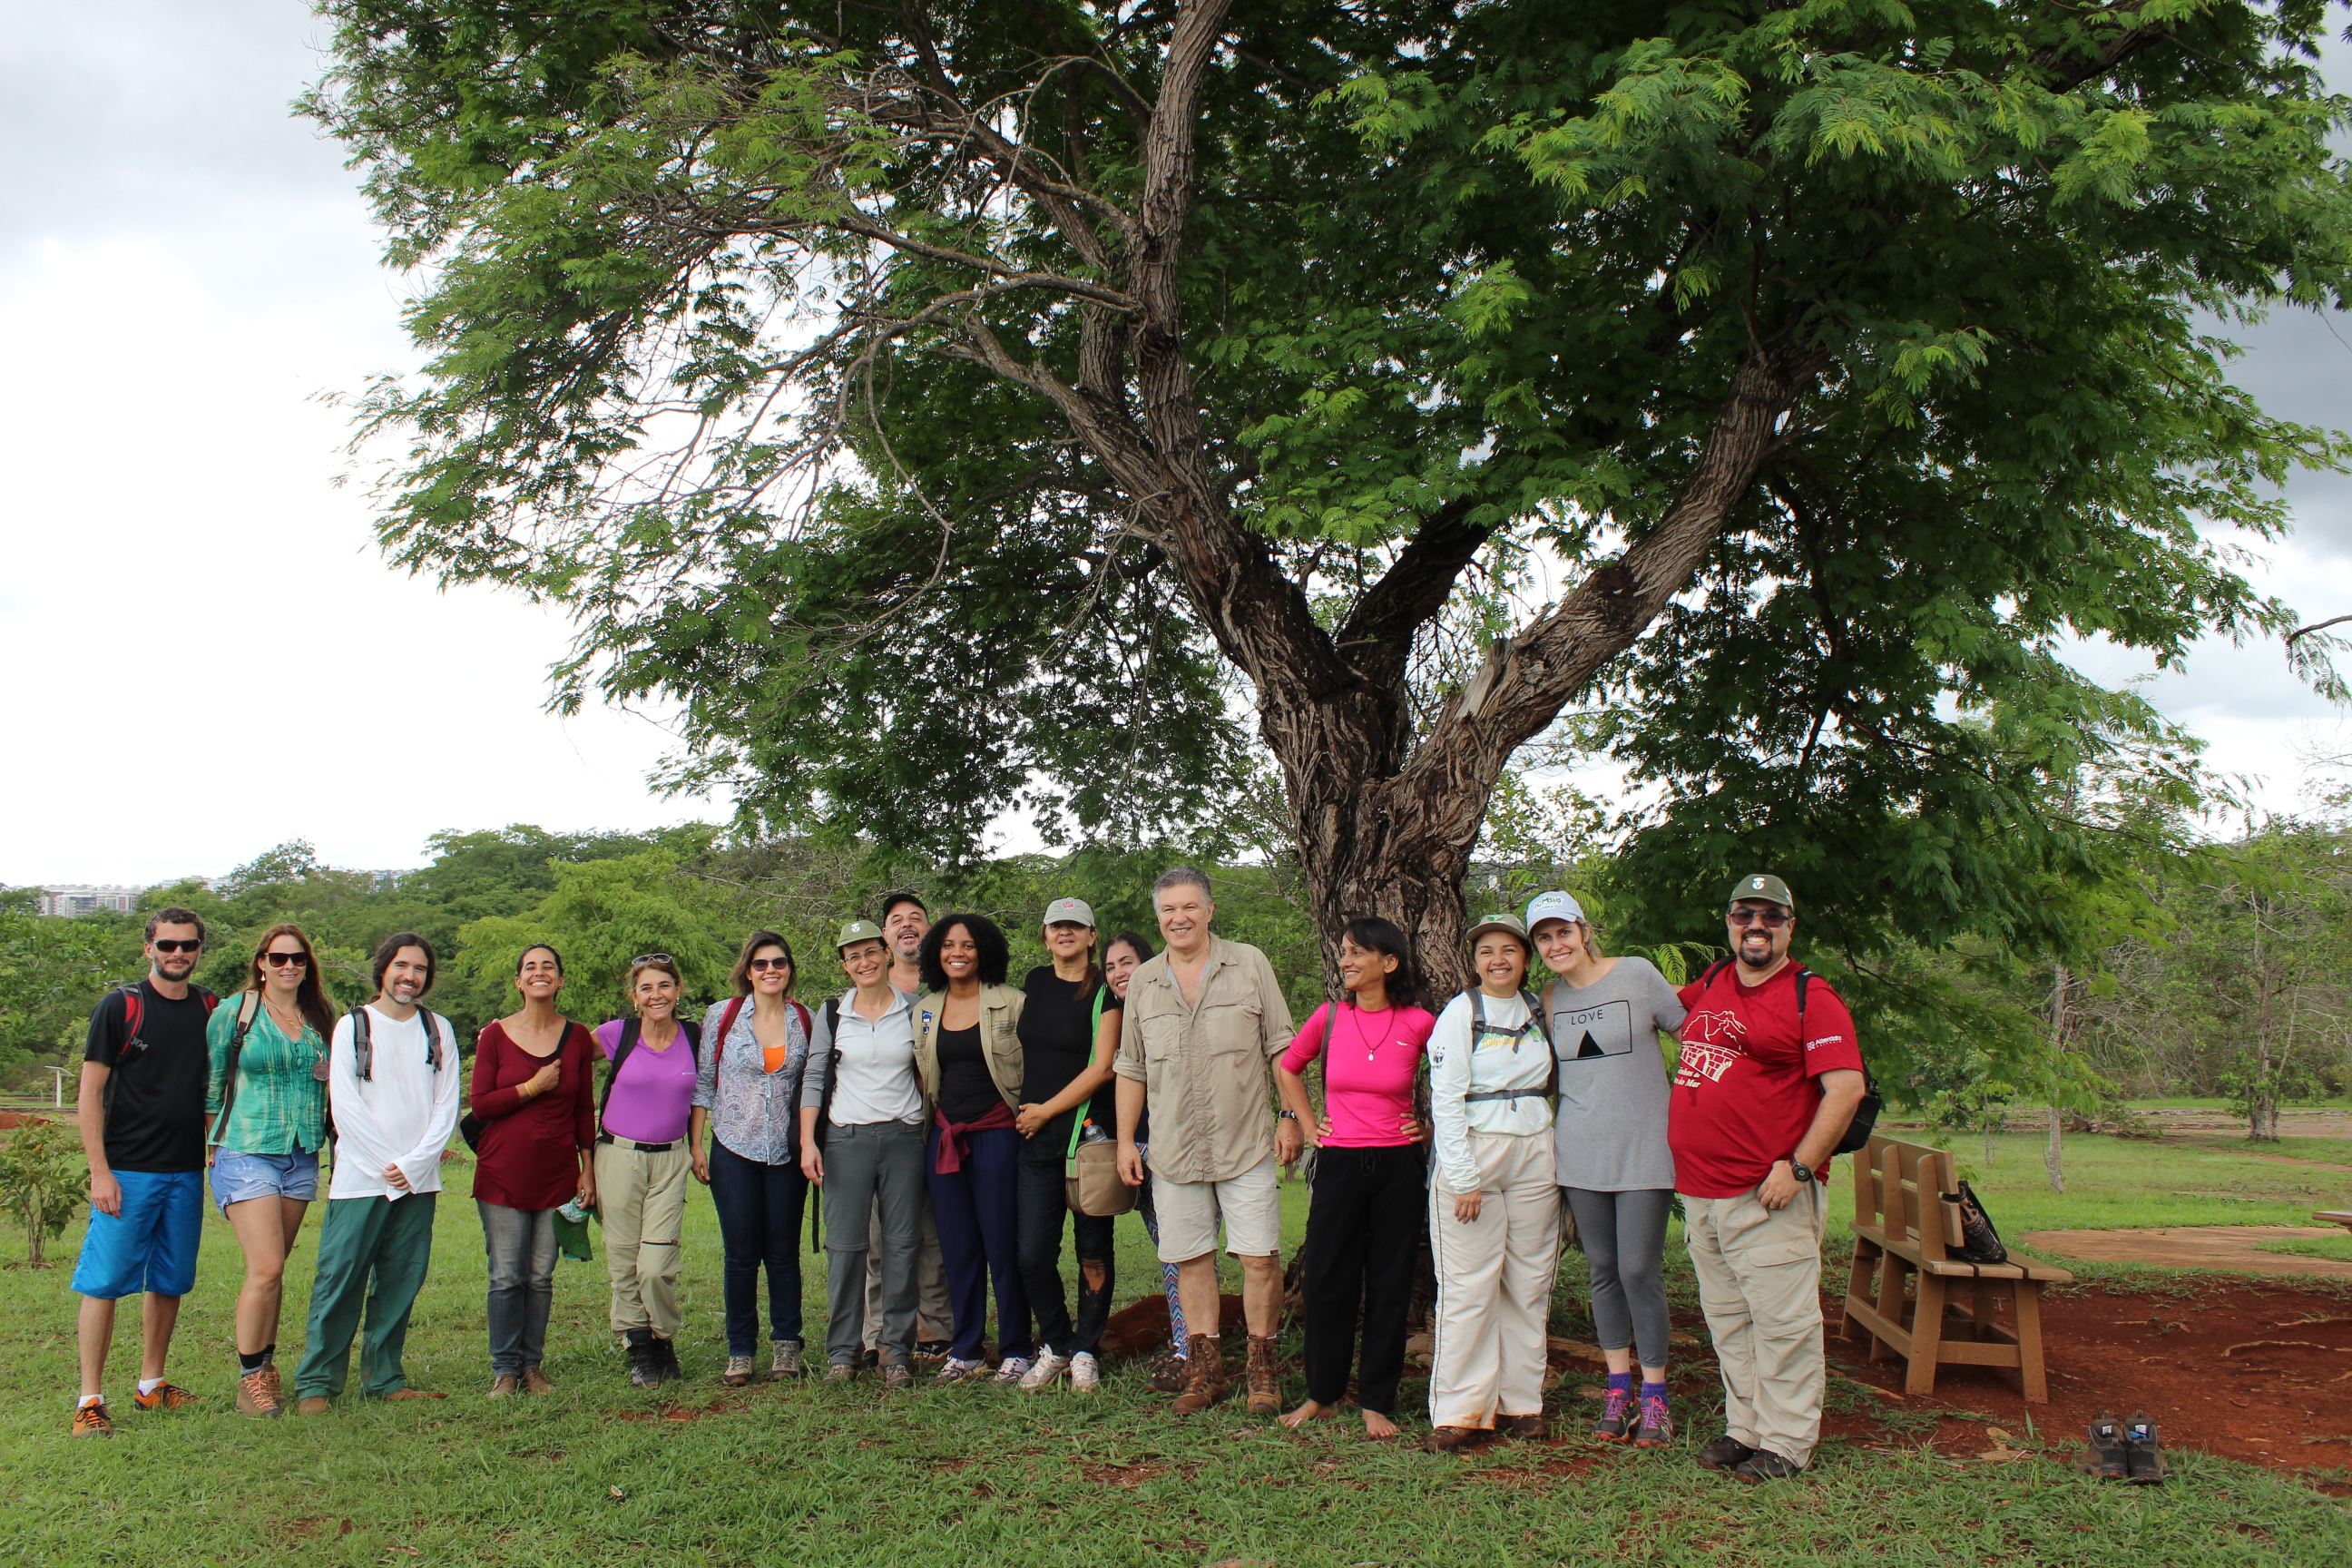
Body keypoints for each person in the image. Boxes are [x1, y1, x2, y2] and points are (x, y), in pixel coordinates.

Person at [1673, 874, 1867, 1484]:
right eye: (1743, 915)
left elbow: (1847, 1089)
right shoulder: (1711, 981)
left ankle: (1787, 1440)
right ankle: (1746, 1428)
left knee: (1784, 1324)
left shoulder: (1813, 996)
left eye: (1770, 917)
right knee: (1729, 1318)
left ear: (1789, 926)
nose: (1755, 927)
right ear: (1728, 921)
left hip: (1767, 1191)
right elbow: (1643, 1002)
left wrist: (1801, 1166)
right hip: (1701, 1189)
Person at [1113, 867, 1298, 1416]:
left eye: (1189, 907)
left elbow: (1282, 1048)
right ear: (1158, 917)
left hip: (1245, 1144)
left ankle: (1262, 1368)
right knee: (1191, 1259)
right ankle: (1206, 1370)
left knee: (1260, 1258)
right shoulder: (1143, 980)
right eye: (1169, 910)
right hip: (1173, 1150)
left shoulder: (1250, 965)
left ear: (1210, 910)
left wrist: (1290, 1114)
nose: (1179, 918)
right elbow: (1131, 1068)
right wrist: (1127, 1141)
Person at [1525, 889, 1688, 1446]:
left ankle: (1656, 1395)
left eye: (1563, 932)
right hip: (1579, 1152)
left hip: (1645, 1150)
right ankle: (1618, 1387)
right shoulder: (1549, 998)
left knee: (1639, 1269)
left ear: (1584, 930)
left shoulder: (1638, 976)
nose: (1555, 944)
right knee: (1601, 1269)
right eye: (1543, 938)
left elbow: (1691, 1037)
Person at [1275, 916, 1436, 1439]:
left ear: (1388, 963)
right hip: (1340, 1162)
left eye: (1356, 952)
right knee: (1326, 1281)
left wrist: (1430, 1123)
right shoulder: (1329, 1017)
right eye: (1343, 951)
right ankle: (1322, 1394)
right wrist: (1306, 1124)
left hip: (1398, 1166)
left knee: (1389, 1283)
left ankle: (1376, 1401)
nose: (1345, 960)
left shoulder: (1419, 1023)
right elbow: (1287, 1067)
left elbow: (1461, 1074)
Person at [291, 934, 463, 1413]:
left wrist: (414, 1165)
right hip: (360, 1179)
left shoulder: (439, 1029)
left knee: (400, 1279)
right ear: (383, 968)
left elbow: (446, 1102)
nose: (410, 976)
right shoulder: (353, 1024)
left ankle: (384, 1377)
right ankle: (316, 1384)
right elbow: (343, 1103)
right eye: (402, 966)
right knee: (340, 1278)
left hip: (419, 1180)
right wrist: (388, 1166)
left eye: (421, 969)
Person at [69, 907, 216, 1436]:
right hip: (127, 1171)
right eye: (168, 945)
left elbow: (210, 1086)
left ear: (200, 950)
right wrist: (99, 1170)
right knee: (105, 1283)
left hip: (185, 1169)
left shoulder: (209, 1007)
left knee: (170, 1280)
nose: (178, 954)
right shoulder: (121, 1007)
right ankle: (90, 1399)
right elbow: (89, 1095)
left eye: (188, 946)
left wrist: (214, 1148)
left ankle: (152, 1385)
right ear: (148, 946)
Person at [1424, 912, 1562, 1453]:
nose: (1498, 960)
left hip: (1534, 1152)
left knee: (1528, 1283)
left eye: (1509, 950)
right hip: (1476, 1156)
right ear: (1473, 960)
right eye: (1486, 951)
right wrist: (1463, 1177)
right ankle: (1460, 1410)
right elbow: (1446, 1099)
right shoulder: (1461, 1013)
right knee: (1469, 1286)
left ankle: (1522, 1401)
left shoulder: (1538, 1009)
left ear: (1526, 958)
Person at [206, 922, 335, 1417]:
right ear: (261, 962)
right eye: (278, 958)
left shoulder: (319, 1017)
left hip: (302, 1152)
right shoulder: (235, 1013)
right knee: (266, 1267)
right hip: (245, 1148)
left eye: (297, 958)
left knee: (275, 1272)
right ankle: (249, 1379)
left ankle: (266, 1363)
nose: (288, 966)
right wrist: (209, 1142)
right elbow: (213, 1081)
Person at [801, 919, 927, 1387]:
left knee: (900, 1246)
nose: (865, 962)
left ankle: (895, 1351)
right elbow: (815, 1075)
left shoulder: (913, 1008)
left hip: (903, 1138)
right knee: (847, 1249)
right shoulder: (833, 1012)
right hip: (845, 1139)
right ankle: (842, 1351)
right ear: (844, 965)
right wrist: (808, 1140)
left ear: (887, 954)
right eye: (853, 956)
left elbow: (927, 1071)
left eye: (871, 952)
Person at [469, 943, 598, 1396]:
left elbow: (584, 1107)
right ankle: (504, 1370)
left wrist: (588, 1168)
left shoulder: (577, 1036)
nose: (539, 972)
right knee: (507, 1274)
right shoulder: (495, 1036)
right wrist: (531, 1087)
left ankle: (532, 1367)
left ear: (560, 980)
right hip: (502, 1171)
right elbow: (481, 1105)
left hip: (558, 1173)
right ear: (519, 982)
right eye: (530, 967)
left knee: (541, 1275)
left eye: (548, 967)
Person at [912, 913, 1034, 1384]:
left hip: (998, 1136)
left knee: (1003, 1244)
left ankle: (1016, 1348)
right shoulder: (924, 1009)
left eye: (966, 945)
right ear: (934, 954)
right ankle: (965, 1348)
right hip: (944, 1138)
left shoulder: (1012, 1002)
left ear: (984, 950)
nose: (956, 953)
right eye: (946, 946)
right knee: (958, 1247)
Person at [694, 931, 815, 1387]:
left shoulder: (805, 1018)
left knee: (783, 1253)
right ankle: (740, 1349)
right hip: (732, 1146)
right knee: (741, 1254)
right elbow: (705, 1083)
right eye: (761, 964)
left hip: (786, 1151)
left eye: (779, 963)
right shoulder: (722, 1017)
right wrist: (695, 1143)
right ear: (748, 970)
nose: (770, 971)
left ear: (789, 970)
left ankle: (787, 1344)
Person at [1009, 898, 1121, 1392]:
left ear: (1092, 936)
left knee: (1092, 1249)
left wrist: (1046, 1109)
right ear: (1046, 935)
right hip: (1035, 1138)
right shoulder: (1034, 982)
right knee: (1032, 1253)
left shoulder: (1105, 992)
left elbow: (1103, 1067)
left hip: (1087, 1135)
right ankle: (1056, 1343)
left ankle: (1086, 1350)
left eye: (1077, 926)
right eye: (1058, 927)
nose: (1067, 933)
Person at [592, 955, 702, 1387]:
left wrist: (696, 1147)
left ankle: (663, 1337)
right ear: (634, 997)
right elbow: (563, 1057)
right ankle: (640, 1349)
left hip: (672, 1159)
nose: (656, 995)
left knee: (656, 1263)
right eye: (646, 988)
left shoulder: (694, 1036)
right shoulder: (614, 1035)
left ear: (677, 991)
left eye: (664, 986)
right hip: (618, 1156)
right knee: (622, 1258)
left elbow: (701, 1095)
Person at [866, 890, 955, 1362]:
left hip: (936, 1128)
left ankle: (936, 1328)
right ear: (884, 935)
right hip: (882, 1129)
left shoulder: (948, 987)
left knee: (932, 1232)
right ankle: (876, 1332)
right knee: (879, 1238)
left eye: (915, 918)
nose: (906, 926)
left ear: (929, 929)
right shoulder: (870, 993)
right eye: (896, 920)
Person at [1105, 930, 1193, 1393]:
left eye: (1128, 962)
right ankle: (1187, 1341)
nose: (1121, 974)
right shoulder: (1108, 1020)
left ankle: (1194, 1345)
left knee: (1191, 1252)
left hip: (1185, 1148)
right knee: (1167, 1250)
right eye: (1112, 967)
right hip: (1136, 1149)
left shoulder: (1171, 1006)